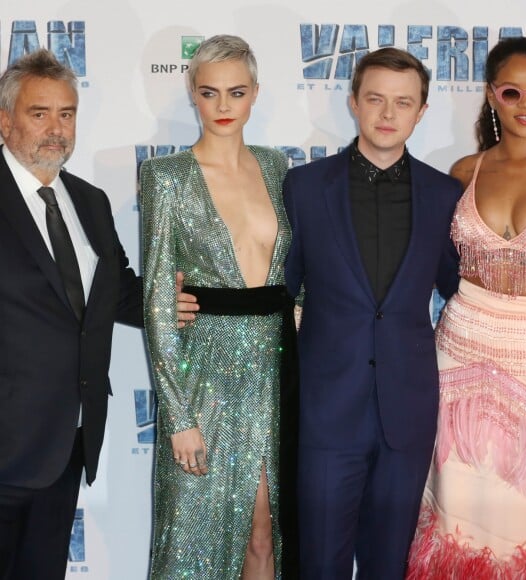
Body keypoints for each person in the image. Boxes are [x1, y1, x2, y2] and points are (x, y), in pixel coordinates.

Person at [279, 47, 463, 579]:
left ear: (421, 111)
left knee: (389, 568)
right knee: (320, 566)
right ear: (354, 103)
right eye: (376, 99)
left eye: (403, 103)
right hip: (326, 413)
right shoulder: (305, 188)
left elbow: (462, 289)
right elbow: (277, 290)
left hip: (407, 413)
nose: (388, 114)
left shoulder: (445, 194)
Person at [407, 37, 526, 578]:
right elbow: (422, 264)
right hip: (461, 351)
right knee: (456, 511)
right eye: (511, 91)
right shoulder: (463, 172)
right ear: (490, 96)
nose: (525, 103)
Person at [140, 35, 297, 580]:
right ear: (193, 94)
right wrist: (178, 418)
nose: (224, 107)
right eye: (210, 93)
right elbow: (158, 303)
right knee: (191, 539)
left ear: (255, 93)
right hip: (204, 371)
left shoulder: (279, 168)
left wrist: (300, 310)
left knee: (265, 531)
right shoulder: (166, 178)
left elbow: (296, 266)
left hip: (276, 371)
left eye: (236, 92)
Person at [0, 49, 144, 579]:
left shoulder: (89, 201)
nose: (56, 129)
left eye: (67, 114)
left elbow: (122, 295)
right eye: (40, 114)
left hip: (67, 444)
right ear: (5, 120)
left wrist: (211, 303)